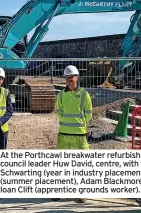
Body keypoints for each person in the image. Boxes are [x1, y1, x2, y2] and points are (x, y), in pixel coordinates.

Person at [53, 65, 92, 203]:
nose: (70, 79)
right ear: (65, 79)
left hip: (80, 135)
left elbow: (88, 113)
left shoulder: (84, 94)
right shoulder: (61, 95)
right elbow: (59, 111)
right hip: (64, 134)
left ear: (77, 78)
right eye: (67, 77)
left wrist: (79, 123)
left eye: (72, 77)